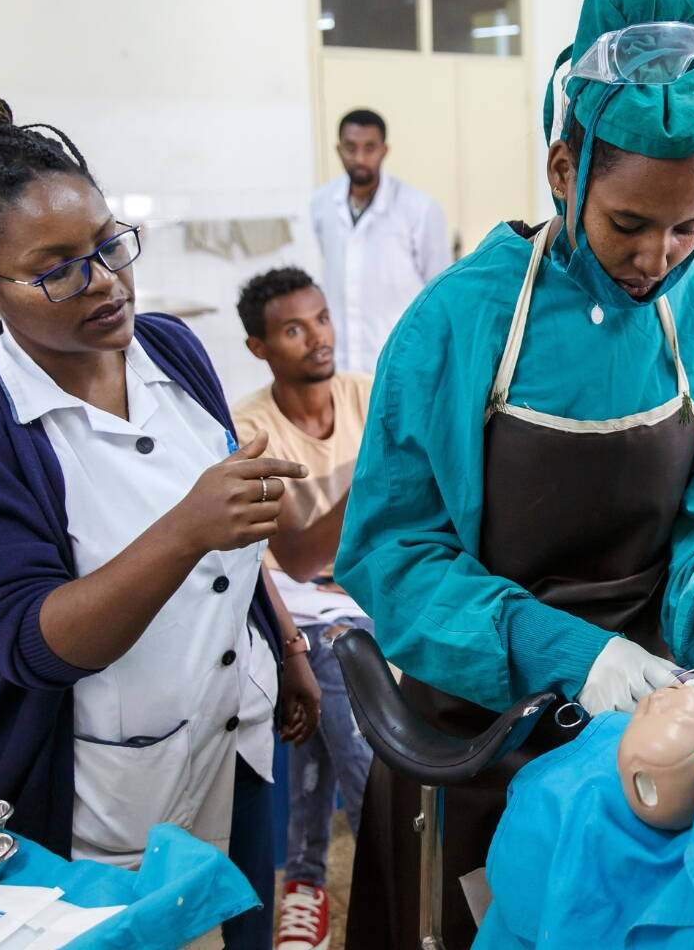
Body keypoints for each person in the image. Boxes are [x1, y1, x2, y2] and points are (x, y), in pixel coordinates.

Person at [332, 0, 694, 945]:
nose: (655, 260)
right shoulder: (461, 321)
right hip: (476, 726)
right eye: (630, 222)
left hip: (653, 722)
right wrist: (566, 654)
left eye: (688, 229)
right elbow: (395, 553)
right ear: (563, 170)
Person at [0, 82, 321, 949]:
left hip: (233, 727)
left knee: (235, 921)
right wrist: (184, 529)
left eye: (110, 244)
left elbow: (229, 531)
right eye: (56, 268)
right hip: (93, 782)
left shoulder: (170, 347)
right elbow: (31, 643)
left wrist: (287, 646)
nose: (106, 282)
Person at [229, 267, 376, 950]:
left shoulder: (366, 396)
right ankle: (394, 869)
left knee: (318, 714)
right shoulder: (249, 428)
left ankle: (307, 883)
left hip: (364, 593)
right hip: (291, 609)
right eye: (293, 328)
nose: (318, 338)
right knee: (343, 689)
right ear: (259, 347)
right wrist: (375, 478)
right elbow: (295, 558)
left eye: (321, 318)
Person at [309, 109, 451, 375]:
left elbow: (440, 291)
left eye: (369, 148)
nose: (359, 157)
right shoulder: (321, 204)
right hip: (340, 362)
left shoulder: (419, 209)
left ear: (384, 151)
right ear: (339, 149)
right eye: (350, 148)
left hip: (399, 360)